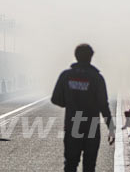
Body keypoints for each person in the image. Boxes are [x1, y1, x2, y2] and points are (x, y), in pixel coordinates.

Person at [51, 44, 115, 172]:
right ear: (91, 57)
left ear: (76, 56)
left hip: (73, 124)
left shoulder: (66, 75)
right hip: (91, 126)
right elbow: (103, 105)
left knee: (70, 164)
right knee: (89, 165)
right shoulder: (97, 77)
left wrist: (69, 103)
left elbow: (55, 99)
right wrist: (111, 128)